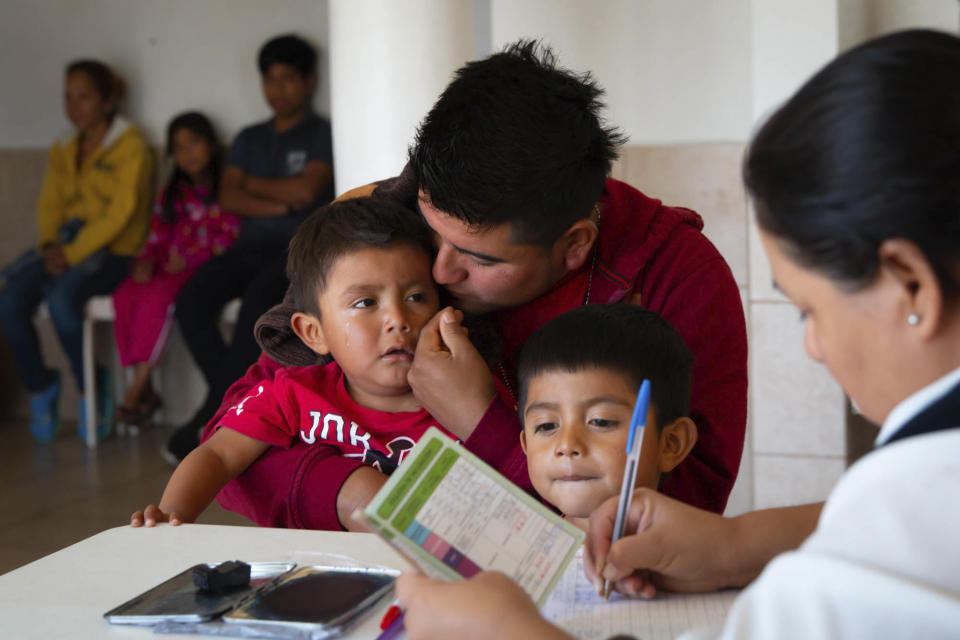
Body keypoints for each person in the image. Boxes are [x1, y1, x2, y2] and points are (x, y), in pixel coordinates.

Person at [394, 29, 960, 639]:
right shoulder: (404, 216)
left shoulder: (894, 529)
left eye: (808, 311)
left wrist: (508, 632)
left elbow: (901, 527)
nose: (812, 347)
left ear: (912, 288)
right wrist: (736, 543)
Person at [202, 39, 748, 531]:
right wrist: (349, 494)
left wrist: (480, 420)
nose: (439, 274)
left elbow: (684, 517)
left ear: (574, 245)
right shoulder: (385, 228)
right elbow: (231, 443)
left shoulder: (676, 279)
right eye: (433, 236)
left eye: (478, 257)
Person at [131, 198, 506, 527]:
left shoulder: (468, 399)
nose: (398, 319)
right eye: (366, 303)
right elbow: (217, 454)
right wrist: (171, 515)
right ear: (313, 333)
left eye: (416, 296)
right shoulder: (292, 394)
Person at [164, 33, 334, 463]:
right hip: (247, 246)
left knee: (258, 306)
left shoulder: (320, 133)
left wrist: (253, 186)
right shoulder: (249, 137)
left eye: (289, 79)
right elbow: (230, 197)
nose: (279, 89)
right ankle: (225, 402)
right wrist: (282, 198)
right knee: (191, 299)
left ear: (309, 81)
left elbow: (308, 188)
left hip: (293, 251)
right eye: (270, 79)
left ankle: (211, 417)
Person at [0, 59, 153, 443]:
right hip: (65, 246)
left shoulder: (131, 146)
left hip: (115, 252)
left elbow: (120, 215)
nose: (74, 106)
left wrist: (69, 254)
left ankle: (92, 386)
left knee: (62, 298)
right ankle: (41, 386)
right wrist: (51, 244)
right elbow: (50, 203)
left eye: (84, 97)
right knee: (10, 299)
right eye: (68, 97)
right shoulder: (65, 146)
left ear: (107, 100)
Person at [517, 304, 697, 531]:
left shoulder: (691, 562)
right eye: (546, 425)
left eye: (601, 421)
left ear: (671, 444)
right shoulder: (510, 554)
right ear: (525, 444)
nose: (567, 445)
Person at [112, 112, 240, 428]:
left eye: (193, 143)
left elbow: (231, 236)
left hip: (200, 271)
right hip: (165, 267)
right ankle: (148, 388)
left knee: (159, 298)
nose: (188, 153)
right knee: (124, 294)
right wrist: (145, 261)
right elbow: (157, 237)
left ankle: (135, 390)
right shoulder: (172, 193)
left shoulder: (227, 186)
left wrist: (191, 259)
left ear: (210, 144)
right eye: (179, 147)